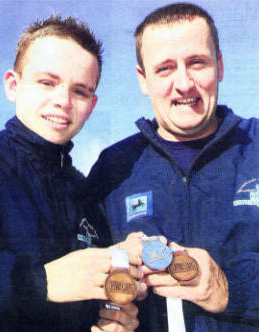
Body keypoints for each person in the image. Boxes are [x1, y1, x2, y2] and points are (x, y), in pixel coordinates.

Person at [87, 3, 259, 331]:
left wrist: (231, 289)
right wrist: (101, 317)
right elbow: (80, 276)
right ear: (143, 79)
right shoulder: (113, 168)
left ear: (219, 65)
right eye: (165, 68)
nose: (184, 83)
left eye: (197, 63)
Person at [0, 16, 146, 332]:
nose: (63, 101)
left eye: (79, 91)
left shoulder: (86, 193)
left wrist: (114, 317)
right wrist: (42, 281)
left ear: (92, 104)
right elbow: (51, 284)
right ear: (13, 85)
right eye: (47, 82)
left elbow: (96, 293)